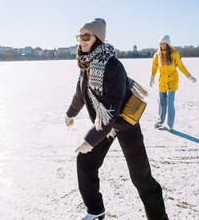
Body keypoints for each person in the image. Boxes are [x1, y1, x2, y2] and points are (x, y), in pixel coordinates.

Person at [65, 18, 168, 220]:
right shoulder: (86, 64)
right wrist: (71, 113)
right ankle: (95, 211)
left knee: (141, 177)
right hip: (103, 126)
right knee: (85, 162)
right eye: (80, 37)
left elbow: (111, 113)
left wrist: (89, 139)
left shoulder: (112, 66)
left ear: (98, 39)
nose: (82, 41)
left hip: (125, 123)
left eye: (86, 37)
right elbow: (80, 94)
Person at [149, 34, 196, 132]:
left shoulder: (174, 54)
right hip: (162, 81)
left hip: (173, 81)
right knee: (162, 103)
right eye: (160, 44)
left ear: (168, 44)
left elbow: (181, 66)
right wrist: (152, 77)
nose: (162, 45)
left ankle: (170, 124)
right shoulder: (158, 54)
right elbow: (154, 66)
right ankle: (160, 121)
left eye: (164, 43)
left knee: (170, 103)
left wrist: (189, 76)